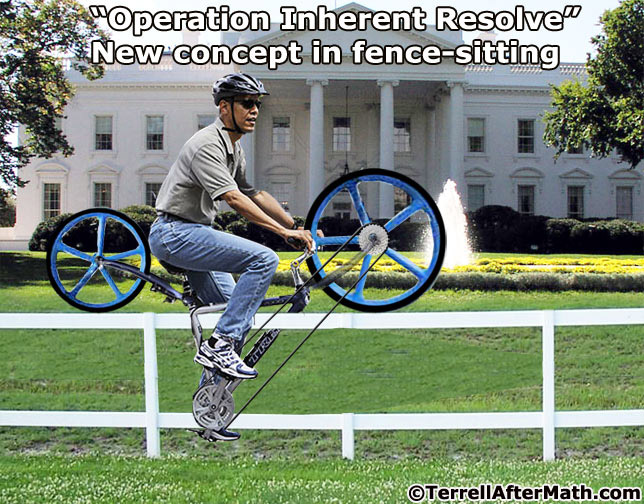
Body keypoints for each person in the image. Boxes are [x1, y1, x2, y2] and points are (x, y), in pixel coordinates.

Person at [148, 73, 314, 439]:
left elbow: (252, 192)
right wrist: (282, 234)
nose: (255, 110)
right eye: (247, 103)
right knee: (263, 260)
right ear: (225, 108)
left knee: (236, 313)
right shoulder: (206, 144)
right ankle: (219, 344)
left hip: (193, 235)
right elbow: (233, 200)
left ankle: (209, 411)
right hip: (175, 233)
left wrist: (295, 225)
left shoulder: (233, 148)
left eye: (257, 104)